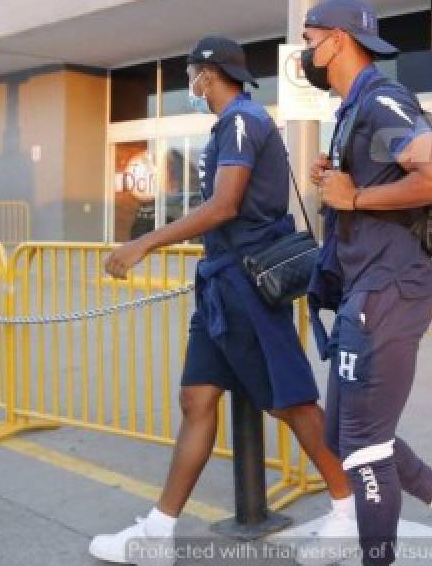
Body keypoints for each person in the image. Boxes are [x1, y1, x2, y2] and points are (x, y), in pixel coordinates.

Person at [91, 37, 353, 566]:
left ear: (206, 74)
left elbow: (225, 205)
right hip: (222, 286)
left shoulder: (241, 119)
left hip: (246, 285)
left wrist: (144, 241)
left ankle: (350, 512)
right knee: (197, 399)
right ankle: (158, 535)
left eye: (192, 73)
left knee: (290, 401)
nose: (191, 83)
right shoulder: (234, 121)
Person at [304, 0, 432, 564]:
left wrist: (358, 195)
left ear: (339, 40)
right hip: (365, 287)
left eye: (309, 39)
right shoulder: (351, 109)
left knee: (364, 448)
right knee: (344, 437)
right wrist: (337, 180)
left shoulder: (382, 99)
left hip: (389, 289)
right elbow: (372, 182)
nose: (305, 52)